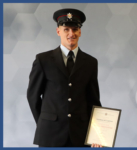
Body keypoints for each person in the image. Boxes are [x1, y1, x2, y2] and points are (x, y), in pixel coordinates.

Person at [27, 8, 102, 147]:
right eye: (66, 29)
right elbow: (33, 97)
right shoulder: (43, 60)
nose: (71, 34)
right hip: (50, 135)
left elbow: (93, 101)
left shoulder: (91, 62)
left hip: (81, 135)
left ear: (80, 32)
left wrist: (97, 133)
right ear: (58, 31)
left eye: (74, 29)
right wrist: (45, 123)